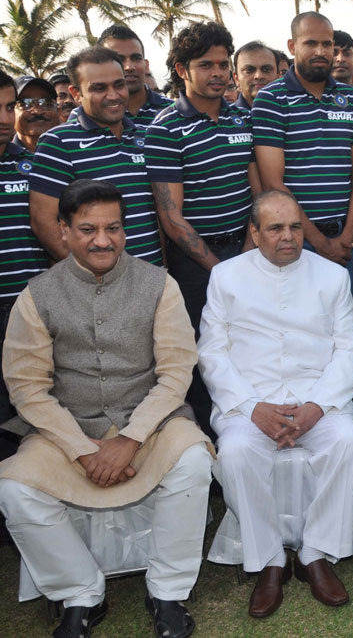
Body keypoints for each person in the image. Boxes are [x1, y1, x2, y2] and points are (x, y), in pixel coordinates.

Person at [0, 179, 213, 638]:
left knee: (194, 460)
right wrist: (81, 448)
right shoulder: (36, 295)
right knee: (14, 489)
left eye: (113, 228)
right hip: (66, 432)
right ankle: (81, 593)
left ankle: (167, 591)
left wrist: (130, 438)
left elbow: (176, 371)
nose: (102, 240)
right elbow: (27, 387)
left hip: (151, 424)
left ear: (125, 229)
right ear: (63, 231)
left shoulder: (159, 284)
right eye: (88, 229)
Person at [199, 190, 353, 617]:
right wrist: (251, 406)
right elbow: (212, 353)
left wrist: (319, 405)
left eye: (295, 226)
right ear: (254, 233)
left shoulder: (331, 276)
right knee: (235, 454)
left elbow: (350, 351)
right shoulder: (225, 277)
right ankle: (271, 559)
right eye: (275, 228)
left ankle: (315, 552)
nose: (288, 236)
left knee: (351, 443)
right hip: (250, 405)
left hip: (319, 401)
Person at [144, 22, 257, 435]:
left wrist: (247, 253)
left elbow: (255, 190)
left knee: (247, 348)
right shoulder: (164, 129)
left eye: (223, 64)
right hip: (195, 265)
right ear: (180, 69)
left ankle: (250, 434)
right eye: (205, 64)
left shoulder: (242, 119)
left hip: (246, 252)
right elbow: (171, 217)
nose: (218, 73)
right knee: (201, 353)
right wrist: (219, 267)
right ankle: (210, 452)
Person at [252, 11, 353, 270]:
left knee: (342, 311)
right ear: (292, 47)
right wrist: (319, 241)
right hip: (293, 239)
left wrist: (347, 237)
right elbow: (273, 181)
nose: (321, 51)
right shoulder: (271, 100)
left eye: (327, 44)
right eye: (311, 43)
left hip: (344, 240)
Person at [29, 47, 163, 265]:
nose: (113, 95)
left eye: (119, 85)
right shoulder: (58, 143)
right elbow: (43, 223)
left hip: (154, 278)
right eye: (99, 88)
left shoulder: (144, 136)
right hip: (98, 288)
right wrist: (93, 276)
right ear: (76, 93)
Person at [0, 69, 47, 424]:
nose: (4, 119)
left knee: (33, 408)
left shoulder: (34, 164)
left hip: (31, 307)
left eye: (7, 107)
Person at [97, 24, 173, 134]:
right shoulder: (86, 116)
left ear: (146, 65)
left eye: (136, 58)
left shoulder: (173, 112)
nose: (129, 67)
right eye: (119, 59)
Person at [12, 76, 59, 153]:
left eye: (46, 103)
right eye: (25, 103)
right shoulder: (3, 159)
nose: (38, 111)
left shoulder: (76, 151)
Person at [233, 40, 279, 109]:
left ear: (278, 76)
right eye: (249, 70)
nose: (259, 76)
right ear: (236, 78)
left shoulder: (294, 114)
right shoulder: (226, 118)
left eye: (266, 70)